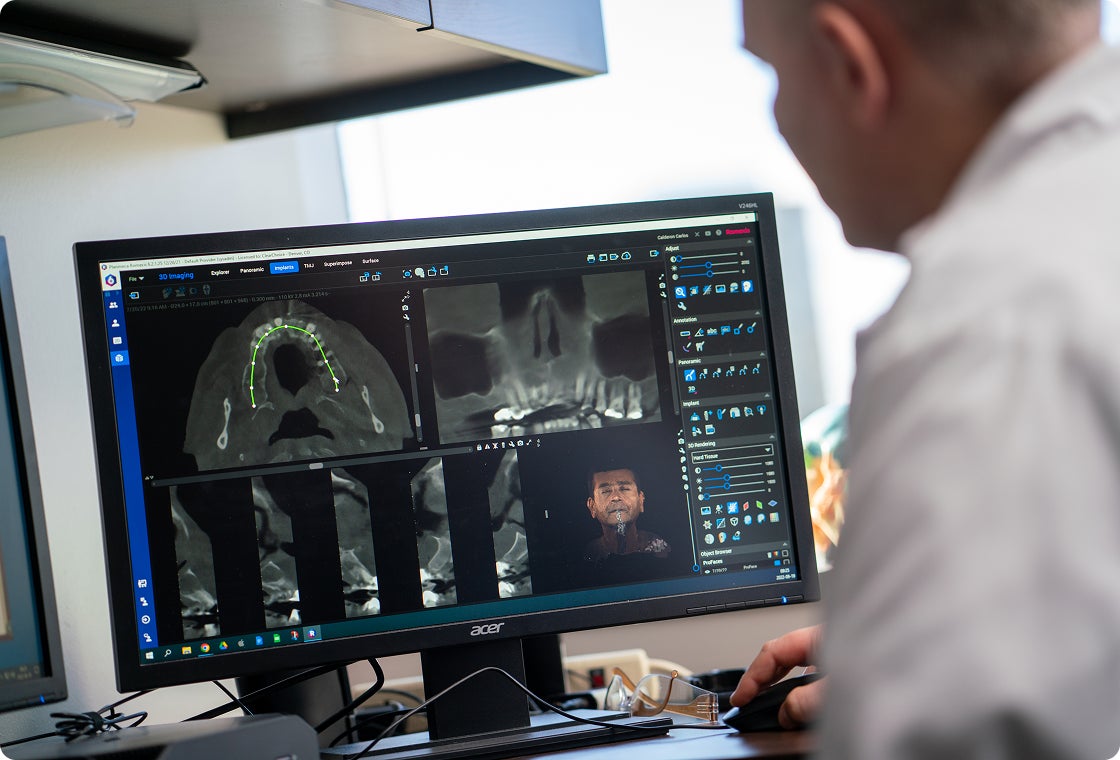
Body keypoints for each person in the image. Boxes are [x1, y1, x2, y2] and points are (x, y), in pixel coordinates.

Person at [730, 1, 1120, 758]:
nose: (778, 114)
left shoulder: (986, 320)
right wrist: (921, 639)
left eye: (773, 72)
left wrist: (913, 677)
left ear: (851, 63)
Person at [583, 467, 670, 561]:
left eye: (624, 489)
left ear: (640, 500)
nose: (616, 497)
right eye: (605, 491)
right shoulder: (588, 554)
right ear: (592, 506)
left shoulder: (658, 547)